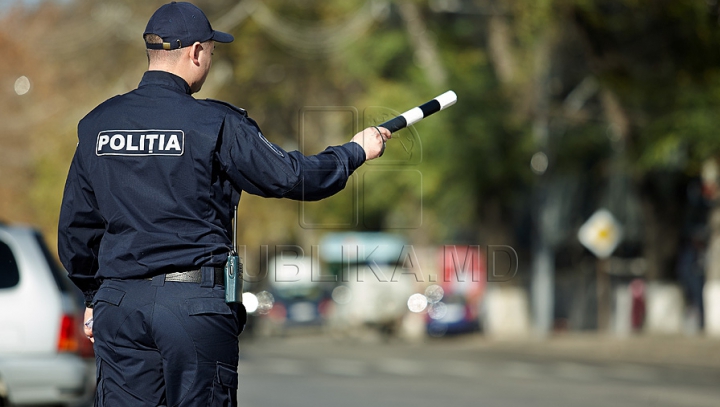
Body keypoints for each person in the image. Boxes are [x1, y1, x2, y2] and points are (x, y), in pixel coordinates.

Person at [57, 2, 390, 406]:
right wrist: (354, 152)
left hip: (120, 308)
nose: (210, 60)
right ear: (196, 52)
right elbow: (291, 176)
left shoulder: (97, 124)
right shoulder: (215, 123)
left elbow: (76, 229)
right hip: (193, 307)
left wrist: (95, 297)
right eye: (211, 51)